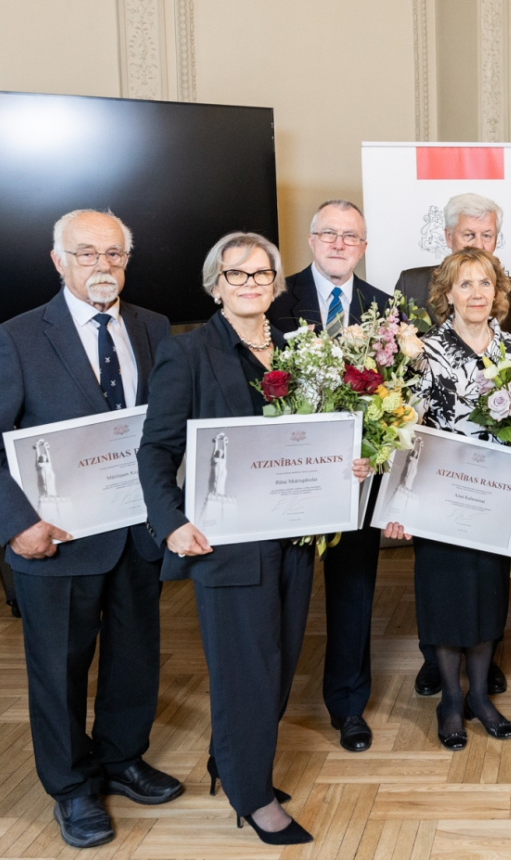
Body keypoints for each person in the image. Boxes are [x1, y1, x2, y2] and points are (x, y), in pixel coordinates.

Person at [138, 232, 369, 845]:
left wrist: (349, 461)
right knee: (248, 669)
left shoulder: (299, 347)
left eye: (261, 274)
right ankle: (252, 795)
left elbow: (313, 435)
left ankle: (232, 760)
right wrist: (171, 523)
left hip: (294, 535)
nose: (250, 284)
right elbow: (155, 450)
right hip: (225, 541)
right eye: (235, 275)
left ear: (276, 284)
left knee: (281, 658)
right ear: (216, 286)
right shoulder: (185, 355)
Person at [0, 209, 178, 849]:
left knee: (135, 659)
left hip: (137, 532)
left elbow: (167, 428)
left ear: (127, 262)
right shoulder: (20, 337)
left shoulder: (155, 329)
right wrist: (16, 526)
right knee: (58, 671)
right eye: (86, 254)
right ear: (59, 262)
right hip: (55, 539)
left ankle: (122, 758)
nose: (102, 266)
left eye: (114, 255)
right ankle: (72, 789)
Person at [380, 248, 511, 750]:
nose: (476, 293)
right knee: (445, 596)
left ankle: (480, 697)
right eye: (465, 284)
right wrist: (398, 507)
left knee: (489, 594)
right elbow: (400, 431)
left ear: (498, 293)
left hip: (493, 497)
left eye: (485, 283)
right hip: (436, 497)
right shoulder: (423, 351)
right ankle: (451, 698)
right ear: (447, 294)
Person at [265, 200, 391, 753]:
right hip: (289, 479)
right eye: (329, 234)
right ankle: (266, 709)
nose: (340, 244)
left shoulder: (385, 309)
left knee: (353, 595)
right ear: (311, 240)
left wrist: (376, 450)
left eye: (352, 237)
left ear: (363, 246)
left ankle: (348, 706)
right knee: (281, 598)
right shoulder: (272, 297)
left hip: (356, 478)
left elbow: (395, 394)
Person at [394, 192, 511, 338]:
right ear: (448, 236)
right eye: (469, 235)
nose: (478, 245)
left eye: (487, 235)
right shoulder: (411, 286)